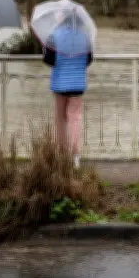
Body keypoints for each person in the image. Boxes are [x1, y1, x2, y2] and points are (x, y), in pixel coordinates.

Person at [42, 12, 93, 169]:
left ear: (62, 19)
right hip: (77, 84)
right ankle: (75, 156)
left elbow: (48, 60)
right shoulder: (85, 36)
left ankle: (62, 153)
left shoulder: (54, 36)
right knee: (75, 119)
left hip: (59, 84)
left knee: (60, 119)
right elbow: (89, 59)